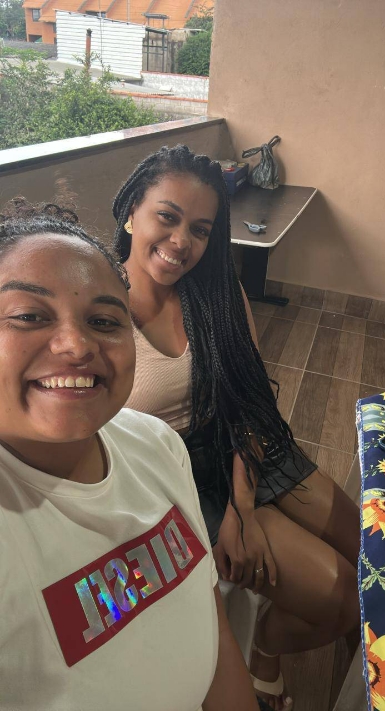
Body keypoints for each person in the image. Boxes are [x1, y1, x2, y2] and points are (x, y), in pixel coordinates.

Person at [112, 145, 361, 711]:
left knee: (377, 557)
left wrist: (244, 506)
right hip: (176, 478)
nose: (181, 242)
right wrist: (225, 515)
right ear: (131, 212)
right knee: (343, 596)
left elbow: (246, 403)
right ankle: (265, 649)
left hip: (245, 446)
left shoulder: (216, 295)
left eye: (200, 230)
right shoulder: (98, 311)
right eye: (167, 216)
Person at [0, 199, 260, 711]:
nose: (77, 345)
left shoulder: (156, 443)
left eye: (103, 320)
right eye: (29, 315)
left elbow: (212, 624)